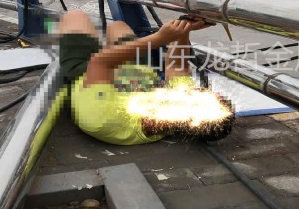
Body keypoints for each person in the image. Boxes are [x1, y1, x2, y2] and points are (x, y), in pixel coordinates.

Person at [58, 10, 211, 145]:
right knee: (118, 26)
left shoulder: (105, 119)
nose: (200, 91)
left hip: (87, 71)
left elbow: (99, 62)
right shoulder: (182, 101)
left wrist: (160, 38)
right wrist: (184, 27)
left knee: (75, 16)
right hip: (137, 68)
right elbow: (176, 66)